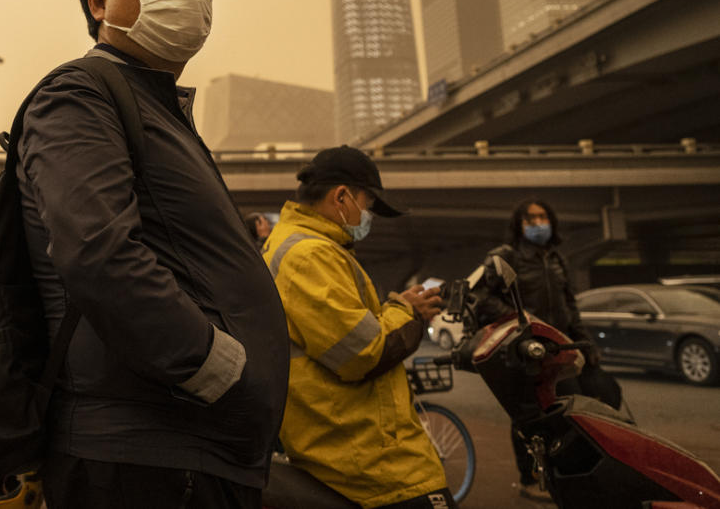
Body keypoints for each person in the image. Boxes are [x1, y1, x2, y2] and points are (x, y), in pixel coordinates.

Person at [14, 0, 288, 509]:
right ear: (99, 0)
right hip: (148, 456)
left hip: (190, 449)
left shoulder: (159, 109)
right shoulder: (81, 94)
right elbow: (98, 252)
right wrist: (221, 372)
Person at [262, 145, 455, 509]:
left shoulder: (308, 248)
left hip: (353, 449)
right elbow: (363, 353)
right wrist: (406, 311)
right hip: (369, 460)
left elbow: (339, 332)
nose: (369, 217)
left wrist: (396, 309)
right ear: (341, 197)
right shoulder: (309, 256)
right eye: (368, 205)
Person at [469, 198, 621, 501]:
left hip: (561, 348)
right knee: (530, 417)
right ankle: (530, 480)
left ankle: (567, 477)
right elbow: (482, 299)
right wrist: (525, 320)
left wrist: (584, 341)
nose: (538, 224)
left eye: (543, 217)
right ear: (519, 225)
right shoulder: (505, 256)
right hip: (527, 349)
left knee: (572, 411)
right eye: (531, 219)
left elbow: (569, 305)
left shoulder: (555, 258)